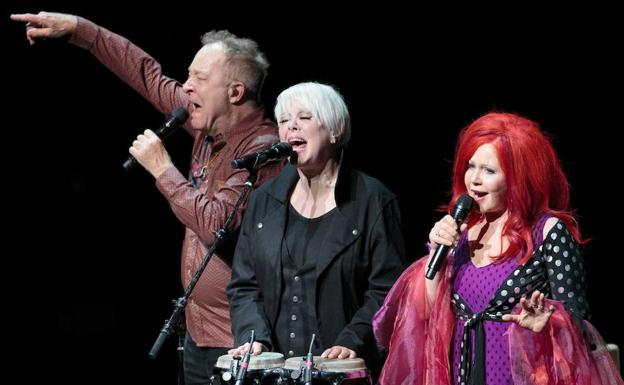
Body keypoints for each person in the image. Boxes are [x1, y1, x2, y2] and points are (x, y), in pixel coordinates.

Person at [11, 11, 282, 384]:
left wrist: (162, 170)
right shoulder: (208, 126)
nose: (185, 88)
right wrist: (80, 29)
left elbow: (217, 224)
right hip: (199, 336)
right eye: (188, 76)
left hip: (242, 344)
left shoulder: (265, 150)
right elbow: (146, 74)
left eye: (199, 79)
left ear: (235, 92)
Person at [373, 111, 623, 385]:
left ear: (519, 177)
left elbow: (580, 327)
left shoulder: (548, 231)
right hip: (462, 373)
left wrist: (549, 322)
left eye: (489, 171)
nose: (474, 179)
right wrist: (437, 254)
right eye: (471, 166)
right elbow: (426, 316)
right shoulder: (462, 232)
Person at [225, 82, 405, 380]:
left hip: (340, 372)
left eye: (304, 117)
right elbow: (244, 284)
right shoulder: (263, 200)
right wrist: (252, 334)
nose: (291, 127)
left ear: (335, 131)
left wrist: (353, 339)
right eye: (284, 121)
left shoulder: (372, 201)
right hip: (273, 373)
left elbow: (388, 290)